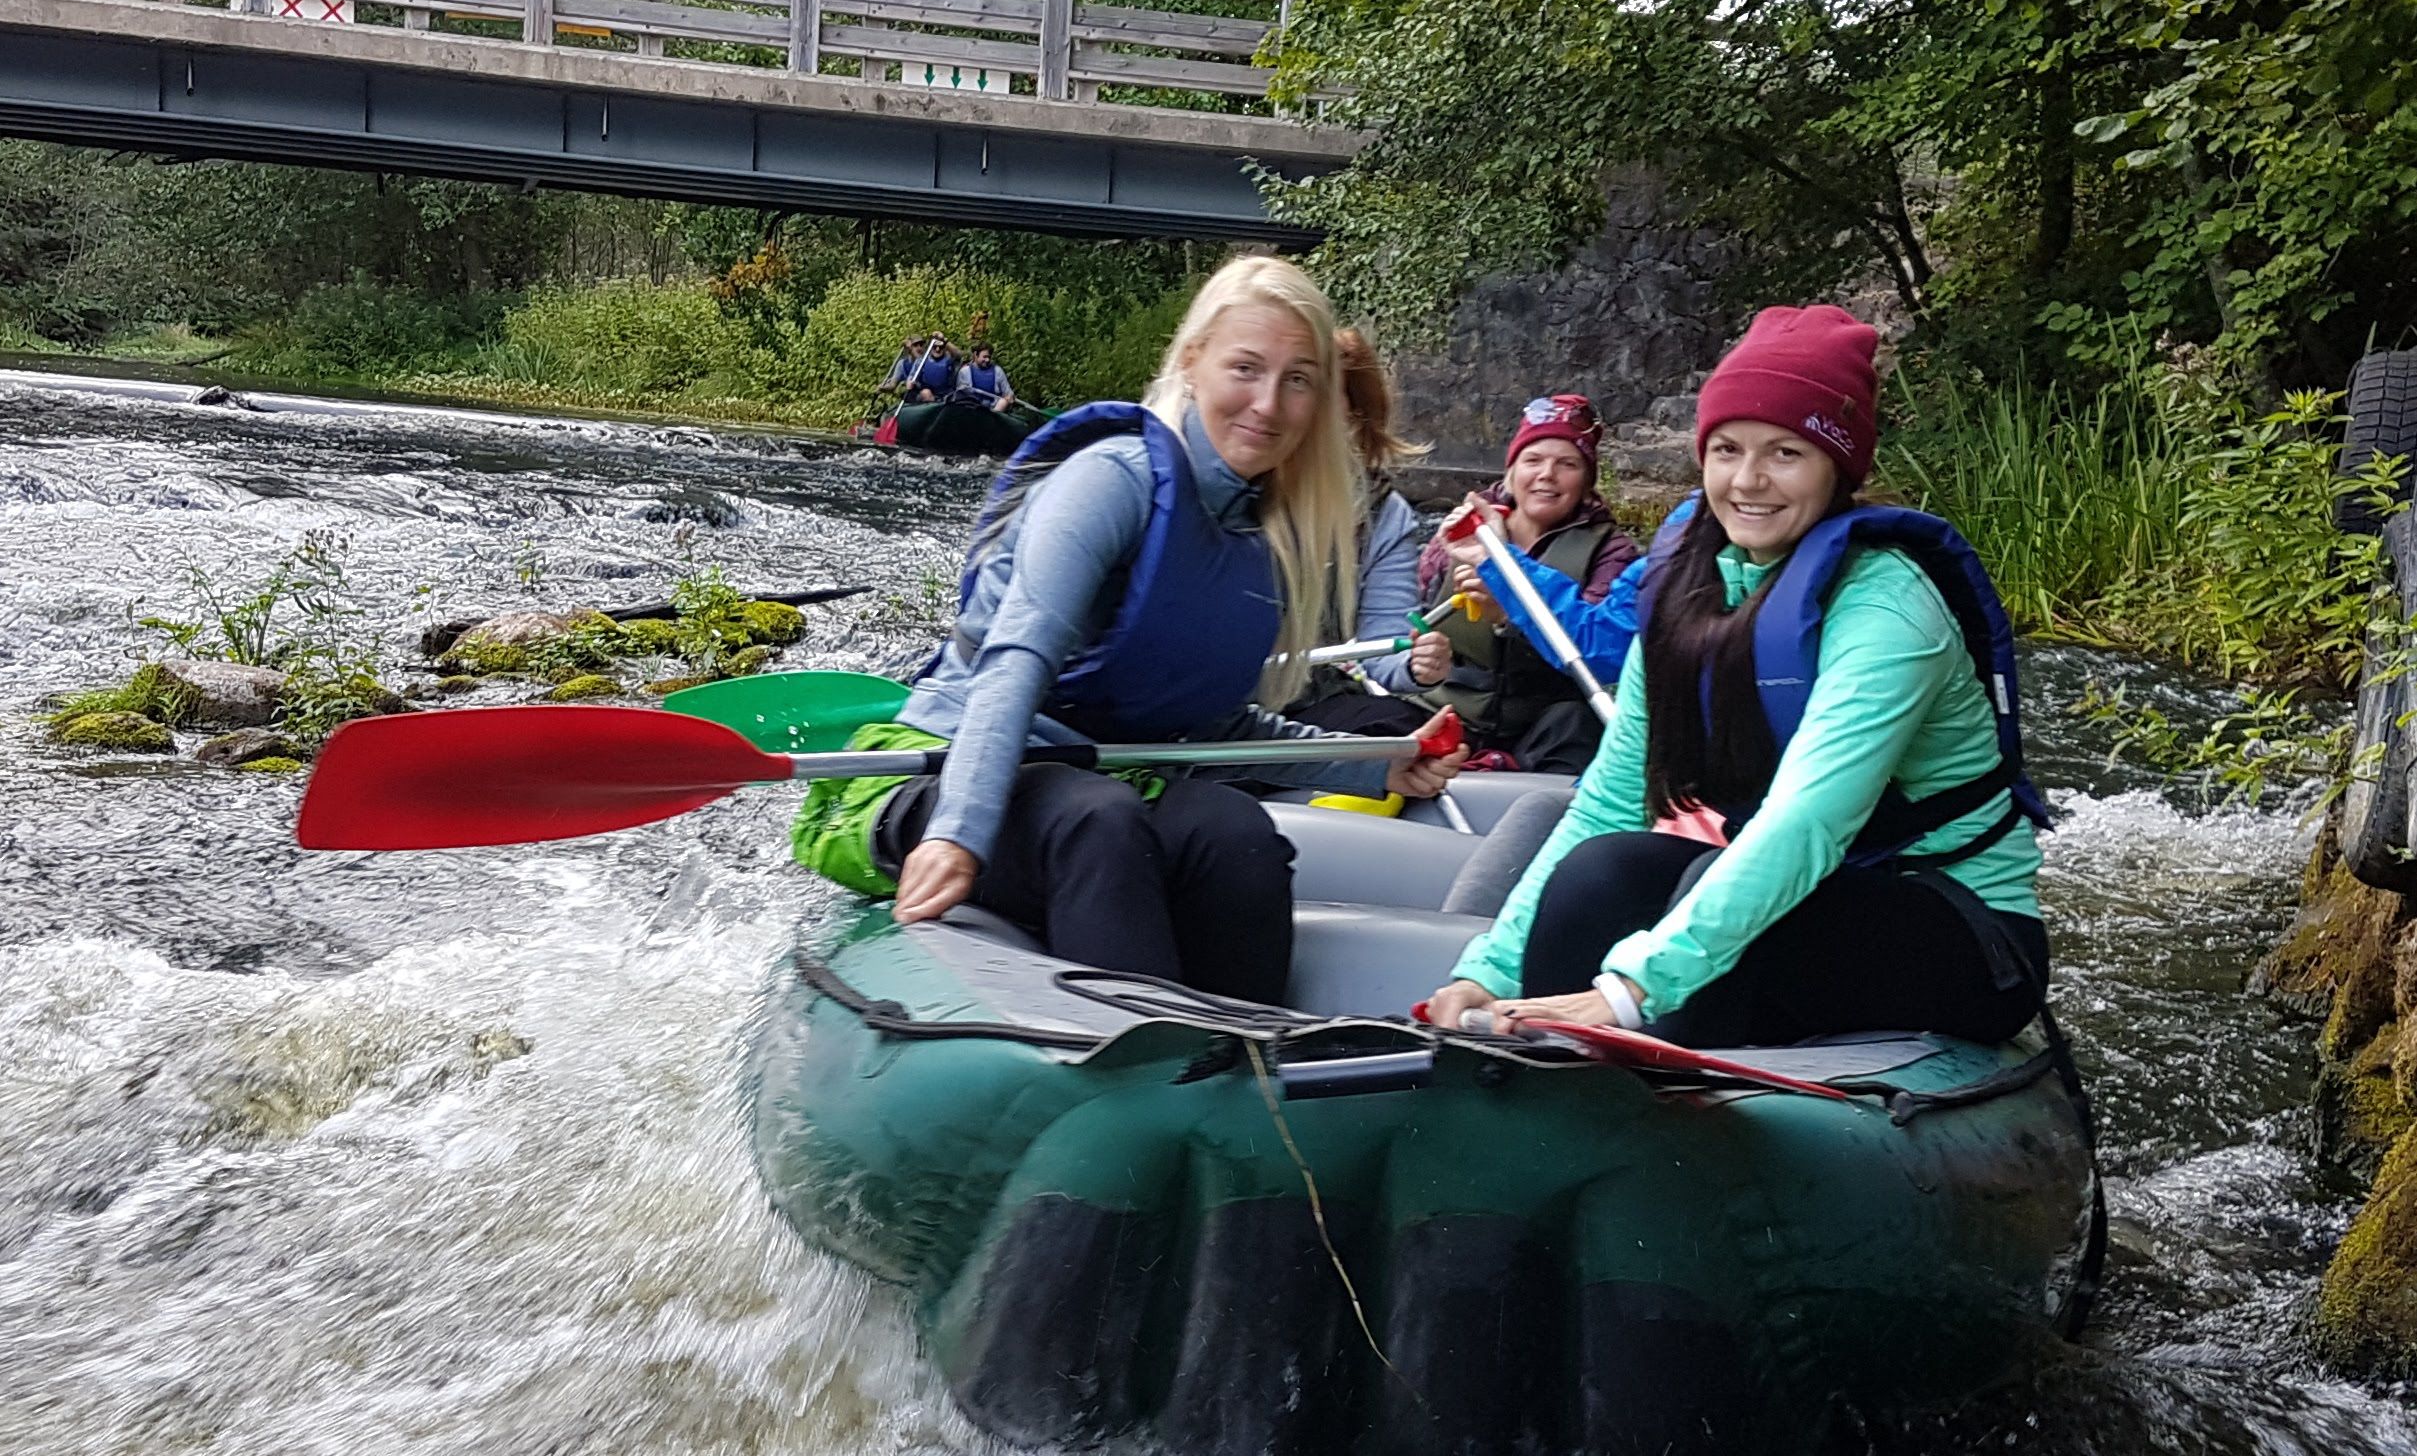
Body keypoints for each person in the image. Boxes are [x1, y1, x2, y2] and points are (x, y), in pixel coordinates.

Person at [793, 255, 1464, 1003]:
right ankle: (1136, 1074)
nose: (1268, 404)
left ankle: (1239, 1076)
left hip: (1099, 779)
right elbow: (1014, 664)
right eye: (1246, 368)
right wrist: (960, 831)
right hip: (954, 769)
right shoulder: (1110, 479)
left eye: (1298, 380)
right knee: (1099, 820)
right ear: (1192, 362)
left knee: (1232, 830)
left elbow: (1215, 728)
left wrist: (1375, 765)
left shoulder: (1259, 536)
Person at [1422, 305, 2049, 1048]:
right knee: (1601, 872)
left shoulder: (1887, 605)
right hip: (1816, 894)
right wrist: (1491, 969)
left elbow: (1806, 821)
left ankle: (1664, 1125)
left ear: (1836, 468)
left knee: (1705, 910)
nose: (1747, 481)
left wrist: (1628, 991)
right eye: (1725, 450)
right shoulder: (1689, 586)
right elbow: (1610, 802)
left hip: (1964, 928)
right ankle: (1523, 1073)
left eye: (1785, 454)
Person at [1405, 393, 1642, 769]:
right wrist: (1418, 658)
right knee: (1376, 718)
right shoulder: (1458, 535)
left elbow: (1601, 657)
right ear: (1511, 473)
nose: (1547, 475)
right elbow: (1411, 620)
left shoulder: (1612, 553)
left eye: (1567, 464)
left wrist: (1506, 616)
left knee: (1574, 725)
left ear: (1586, 482)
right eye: (1533, 460)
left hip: (1543, 722)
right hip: (1449, 709)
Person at [952, 313, 1017, 409]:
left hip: (993, 409)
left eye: (989, 357)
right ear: (975, 355)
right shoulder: (965, 372)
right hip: (973, 408)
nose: (987, 360)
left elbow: (1008, 393)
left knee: (1003, 402)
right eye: (984, 357)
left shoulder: (997, 371)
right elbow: (960, 395)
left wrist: (1009, 397)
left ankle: (993, 421)